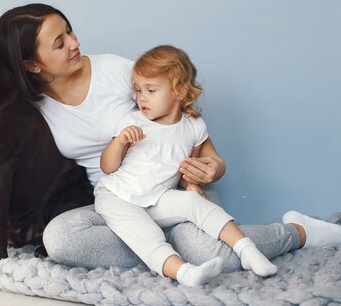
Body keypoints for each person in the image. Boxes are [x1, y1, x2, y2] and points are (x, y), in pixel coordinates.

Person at [0, 3, 341, 276]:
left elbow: (182, 111)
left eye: (70, 31)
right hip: (112, 200)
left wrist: (213, 165)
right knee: (60, 240)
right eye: (60, 41)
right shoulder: (28, 104)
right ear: (32, 65)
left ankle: (297, 232)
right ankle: (170, 252)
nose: (75, 43)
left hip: (172, 186)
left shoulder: (116, 71)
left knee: (209, 254)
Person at [94, 45, 278, 286]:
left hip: (157, 198)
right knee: (144, 233)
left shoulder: (193, 127)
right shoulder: (133, 122)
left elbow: (185, 166)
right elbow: (108, 167)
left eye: (151, 90)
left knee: (195, 202)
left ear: (179, 91)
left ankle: (247, 250)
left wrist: (190, 184)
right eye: (138, 91)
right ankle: (184, 273)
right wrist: (120, 141)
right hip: (118, 196)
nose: (142, 98)